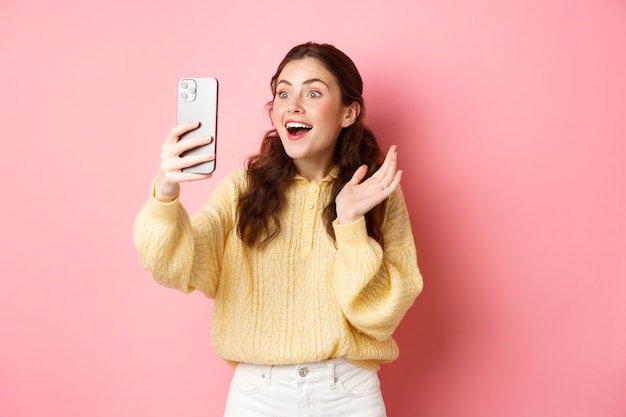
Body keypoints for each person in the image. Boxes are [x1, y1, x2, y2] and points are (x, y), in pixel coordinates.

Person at [133, 41, 423, 417]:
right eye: (283, 93)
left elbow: (380, 315)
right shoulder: (244, 188)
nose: (292, 106)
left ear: (349, 112)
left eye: (313, 92)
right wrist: (166, 193)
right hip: (258, 396)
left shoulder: (375, 193)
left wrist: (350, 223)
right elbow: (175, 265)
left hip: (348, 394)